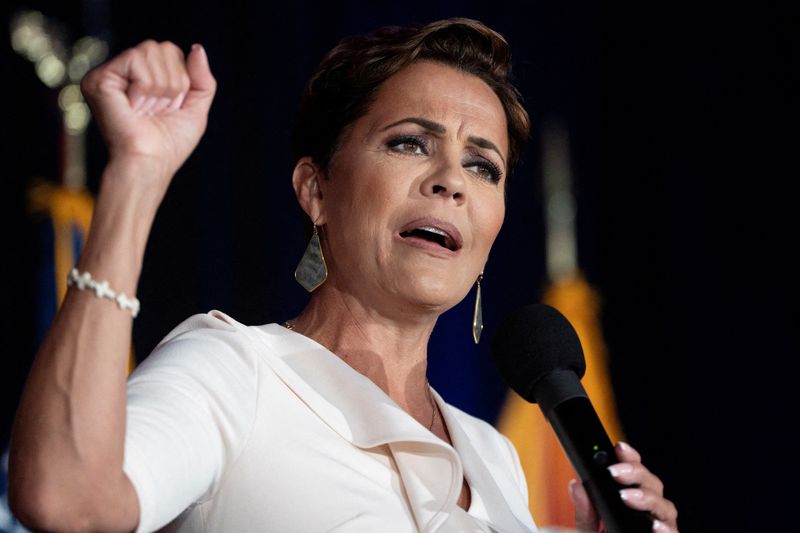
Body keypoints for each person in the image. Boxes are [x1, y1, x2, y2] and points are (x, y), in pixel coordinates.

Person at [8, 18, 678, 533]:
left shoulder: (495, 457)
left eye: (483, 166)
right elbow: (67, 498)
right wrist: (137, 173)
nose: (450, 181)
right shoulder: (235, 372)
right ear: (316, 188)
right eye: (410, 142)